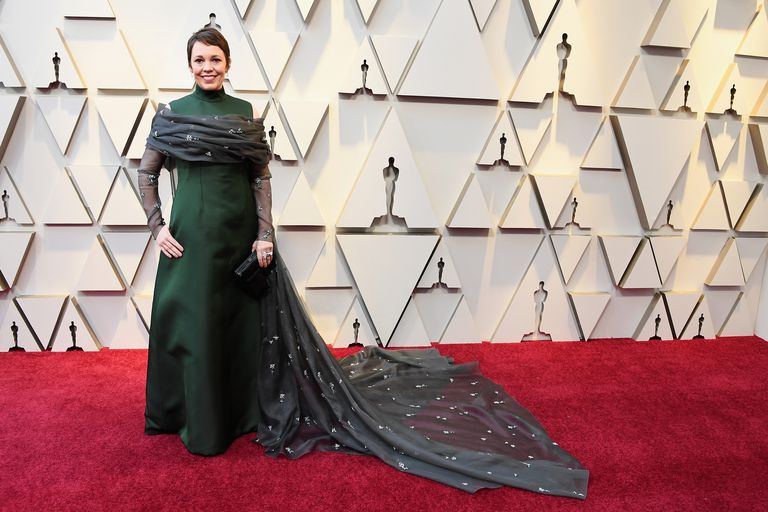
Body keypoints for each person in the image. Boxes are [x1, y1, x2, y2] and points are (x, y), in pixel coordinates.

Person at [138, 28, 588, 499]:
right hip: (190, 243)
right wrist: (157, 226)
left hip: (239, 239)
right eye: (199, 60)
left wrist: (265, 233)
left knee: (239, 329)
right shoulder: (171, 114)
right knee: (196, 328)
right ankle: (198, 421)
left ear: (228, 64)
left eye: (215, 59)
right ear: (189, 65)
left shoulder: (245, 112)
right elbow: (147, 172)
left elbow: (260, 179)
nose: (207, 67)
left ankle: (242, 414)